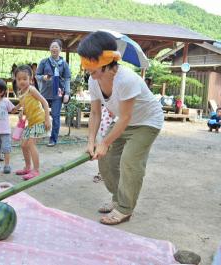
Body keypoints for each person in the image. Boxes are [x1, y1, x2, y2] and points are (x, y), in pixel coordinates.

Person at [77, 31, 164, 225]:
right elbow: (95, 113)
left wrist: (105, 142)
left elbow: (125, 117)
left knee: (130, 161)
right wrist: (92, 141)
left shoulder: (126, 79)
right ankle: (118, 198)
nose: (86, 68)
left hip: (147, 122)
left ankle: (125, 208)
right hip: (126, 122)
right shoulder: (93, 80)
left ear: (107, 60)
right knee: (105, 160)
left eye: (90, 62)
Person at [13, 65, 51, 180]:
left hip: (39, 120)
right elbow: (23, 103)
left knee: (31, 144)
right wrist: (18, 110)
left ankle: (36, 170)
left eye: (25, 79)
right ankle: (28, 167)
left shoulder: (32, 89)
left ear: (31, 79)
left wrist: (47, 118)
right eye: (19, 79)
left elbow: (45, 102)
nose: (22, 81)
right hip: (30, 123)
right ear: (16, 80)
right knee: (23, 145)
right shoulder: (20, 93)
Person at [36, 39, 71, 147]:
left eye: (56, 47)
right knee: (41, 115)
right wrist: (43, 77)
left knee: (56, 116)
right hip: (45, 93)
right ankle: (39, 135)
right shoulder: (44, 62)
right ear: (50, 49)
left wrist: (67, 93)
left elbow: (67, 79)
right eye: (52, 46)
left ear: (60, 49)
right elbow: (37, 75)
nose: (54, 48)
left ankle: (53, 139)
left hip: (58, 93)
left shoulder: (64, 64)